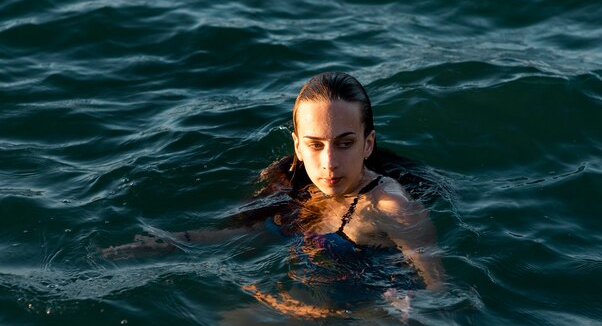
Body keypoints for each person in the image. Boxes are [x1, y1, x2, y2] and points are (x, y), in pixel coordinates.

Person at [101, 71, 445, 291]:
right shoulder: (301, 190)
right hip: (297, 307)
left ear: (367, 143)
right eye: (315, 145)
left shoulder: (392, 207)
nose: (328, 163)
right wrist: (175, 242)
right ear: (297, 145)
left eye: (345, 143)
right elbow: (257, 234)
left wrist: (402, 319)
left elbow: (438, 289)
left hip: (367, 316)